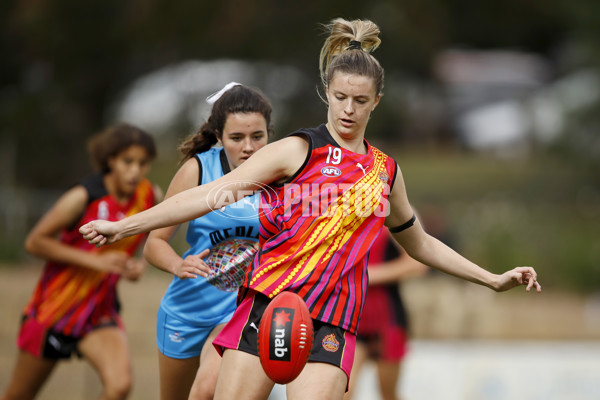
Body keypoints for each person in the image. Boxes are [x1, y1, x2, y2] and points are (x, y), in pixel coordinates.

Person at [79, 18, 541, 400]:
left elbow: (419, 243)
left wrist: (491, 278)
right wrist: (126, 227)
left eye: (361, 101)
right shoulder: (295, 150)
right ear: (327, 92)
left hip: (332, 322)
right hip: (265, 306)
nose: (348, 109)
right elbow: (207, 195)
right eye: (341, 97)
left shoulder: (385, 172)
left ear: (376, 102)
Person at [0, 123, 159, 400]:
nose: (135, 171)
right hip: (55, 309)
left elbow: (147, 241)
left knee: (119, 386)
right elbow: (34, 242)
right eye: (127, 162)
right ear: (111, 160)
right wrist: (95, 261)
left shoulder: (149, 196)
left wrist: (138, 265)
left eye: (143, 163)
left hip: (99, 311)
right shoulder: (82, 196)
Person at [142, 83, 272, 400]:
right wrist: (178, 264)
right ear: (218, 136)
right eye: (237, 138)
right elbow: (154, 243)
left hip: (239, 311)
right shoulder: (197, 171)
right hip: (186, 312)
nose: (249, 147)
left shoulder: (280, 173)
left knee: (208, 390)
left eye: (258, 136)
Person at [344, 227, 428, 400]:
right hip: (351, 319)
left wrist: (368, 275)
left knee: (388, 394)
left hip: (388, 320)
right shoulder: (337, 209)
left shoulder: (392, 211)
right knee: (343, 391)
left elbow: (417, 264)